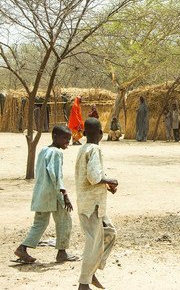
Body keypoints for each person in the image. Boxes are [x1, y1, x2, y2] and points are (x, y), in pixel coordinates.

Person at [14, 125, 79, 264]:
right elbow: (56, 176)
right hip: (55, 193)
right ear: (55, 136)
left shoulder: (44, 150)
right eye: (65, 139)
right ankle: (62, 253)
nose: (67, 142)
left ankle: (22, 248)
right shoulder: (57, 153)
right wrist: (65, 195)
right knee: (64, 221)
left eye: (69, 139)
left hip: (41, 193)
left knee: (40, 223)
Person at [75, 118, 119, 290]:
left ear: (84, 133)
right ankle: (83, 283)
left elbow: (90, 176)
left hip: (91, 203)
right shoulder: (95, 150)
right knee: (93, 242)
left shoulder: (83, 149)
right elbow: (94, 177)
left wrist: (106, 186)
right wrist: (109, 179)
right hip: (92, 206)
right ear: (101, 133)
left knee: (110, 233)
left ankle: (91, 272)